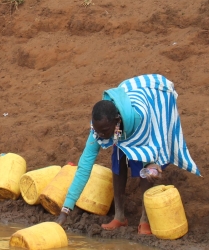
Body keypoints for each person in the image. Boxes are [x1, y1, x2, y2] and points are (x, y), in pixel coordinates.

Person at [55, 74, 201, 235]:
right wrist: (65, 212)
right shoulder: (100, 129)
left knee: (144, 168)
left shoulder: (141, 118)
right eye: (97, 132)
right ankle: (119, 216)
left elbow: (152, 149)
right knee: (118, 160)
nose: (101, 136)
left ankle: (144, 220)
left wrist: (153, 166)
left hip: (153, 100)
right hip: (122, 119)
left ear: (117, 120)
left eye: (104, 131)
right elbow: (84, 167)